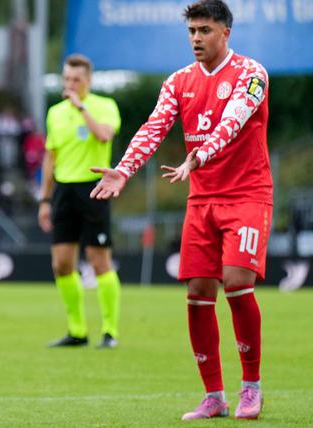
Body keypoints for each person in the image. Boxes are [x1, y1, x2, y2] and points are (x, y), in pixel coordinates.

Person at [89, 0, 269, 420]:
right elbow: (154, 126)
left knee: (238, 282)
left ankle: (251, 388)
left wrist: (198, 157)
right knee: (198, 293)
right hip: (202, 199)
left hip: (246, 194)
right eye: (191, 31)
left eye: (204, 30)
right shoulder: (178, 81)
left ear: (225, 32)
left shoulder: (251, 74)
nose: (196, 39)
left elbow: (234, 121)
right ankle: (213, 396)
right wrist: (124, 170)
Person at [38, 54, 122, 349]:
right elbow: (51, 157)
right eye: (66, 79)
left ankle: (109, 331)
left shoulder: (104, 106)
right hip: (63, 191)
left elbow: (103, 136)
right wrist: (45, 199)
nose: (70, 85)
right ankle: (77, 331)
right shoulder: (55, 113)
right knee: (62, 264)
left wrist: (82, 107)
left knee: (100, 261)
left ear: (88, 81)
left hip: (94, 189)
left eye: (76, 80)